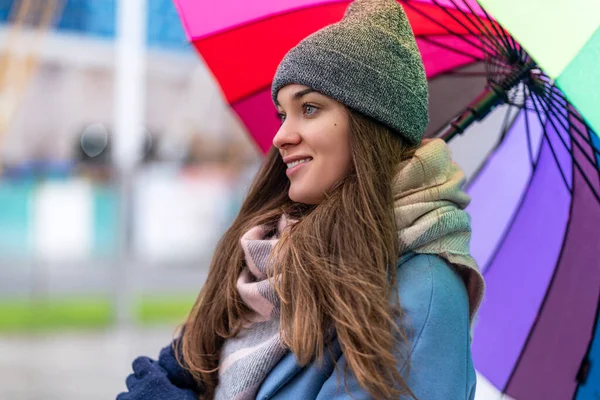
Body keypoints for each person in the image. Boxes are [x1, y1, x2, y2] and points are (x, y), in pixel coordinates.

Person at [117, 0, 485, 399]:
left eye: (309, 108)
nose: (281, 137)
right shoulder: (268, 260)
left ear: (370, 124)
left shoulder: (424, 292)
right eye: (282, 114)